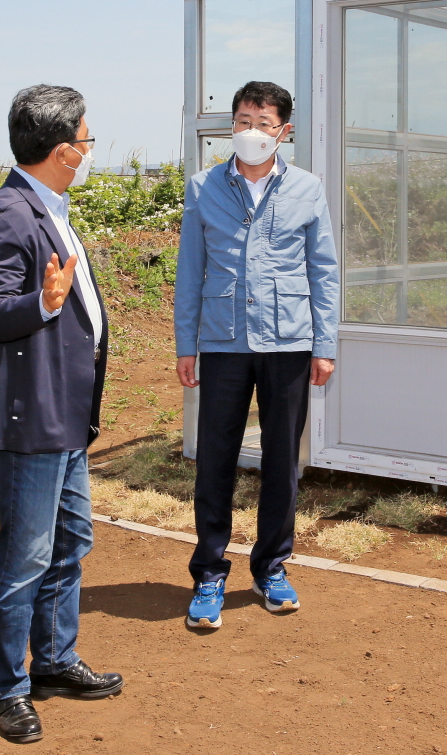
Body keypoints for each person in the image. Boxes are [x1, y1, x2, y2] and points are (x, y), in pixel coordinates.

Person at [0, 84, 123, 744]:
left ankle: (55, 660)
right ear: (64, 151)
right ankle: (7, 689)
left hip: (63, 414)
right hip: (30, 420)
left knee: (69, 542)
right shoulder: (9, 213)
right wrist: (43, 301)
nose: (89, 150)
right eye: (87, 142)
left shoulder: (47, 205)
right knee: (25, 555)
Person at [174, 80, 339, 629]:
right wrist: (185, 344)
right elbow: (190, 272)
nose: (250, 132)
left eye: (262, 124)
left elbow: (324, 271)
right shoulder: (203, 187)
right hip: (222, 341)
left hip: (289, 342)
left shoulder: (308, 189)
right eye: (242, 120)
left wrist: (325, 343)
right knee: (214, 460)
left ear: (283, 132)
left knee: (280, 463)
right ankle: (209, 573)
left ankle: (271, 566)